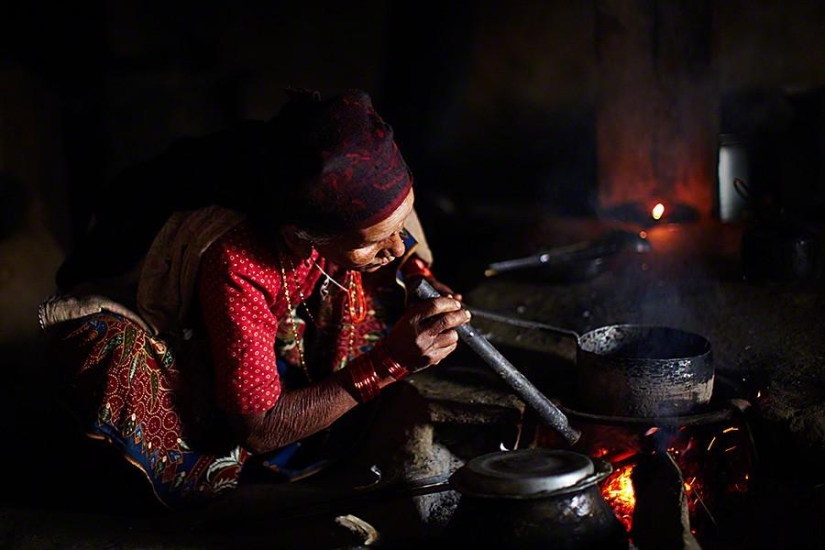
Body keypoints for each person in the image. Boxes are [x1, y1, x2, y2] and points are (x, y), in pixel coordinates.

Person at [38, 88, 470, 511]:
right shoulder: (239, 258)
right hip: (189, 340)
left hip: (293, 286)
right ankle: (240, 494)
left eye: (399, 226)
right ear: (298, 233)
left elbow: (388, 227)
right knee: (111, 358)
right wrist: (388, 363)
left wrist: (417, 274)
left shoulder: (353, 185)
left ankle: (320, 408)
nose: (397, 246)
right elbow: (257, 428)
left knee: (374, 277)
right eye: (378, 240)